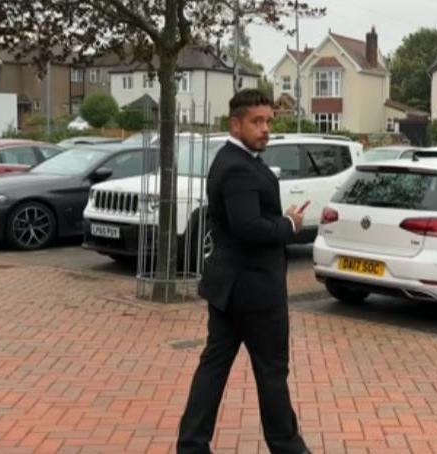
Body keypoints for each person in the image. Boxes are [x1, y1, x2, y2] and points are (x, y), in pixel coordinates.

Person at [177, 89, 310, 454]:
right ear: (235, 124)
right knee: (271, 373)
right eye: (257, 121)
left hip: (229, 288)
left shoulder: (236, 159)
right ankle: (288, 447)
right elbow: (248, 228)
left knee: (214, 368)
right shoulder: (237, 166)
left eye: (269, 121)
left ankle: (191, 445)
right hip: (254, 293)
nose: (265, 128)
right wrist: (289, 225)